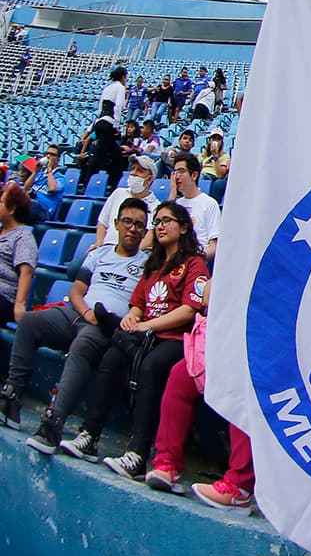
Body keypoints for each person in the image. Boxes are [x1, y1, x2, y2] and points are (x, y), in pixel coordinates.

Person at [66, 201, 207, 478]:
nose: (161, 226)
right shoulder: (153, 264)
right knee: (112, 357)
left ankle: (138, 453)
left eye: (168, 220)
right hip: (145, 335)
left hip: (174, 339)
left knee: (150, 365)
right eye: (159, 221)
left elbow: (189, 310)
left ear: (184, 227)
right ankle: (89, 436)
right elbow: (138, 303)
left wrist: (147, 325)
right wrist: (133, 317)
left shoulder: (194, 263)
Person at [0, 198, 149, 448]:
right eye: (127, 222)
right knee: (30, 322)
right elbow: (77, 291)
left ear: (145, 231)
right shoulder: (99, 254)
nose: (133, 228)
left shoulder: (147, 263)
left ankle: (53, 423)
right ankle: (12, 398)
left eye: (139, 225)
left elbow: (142, 304)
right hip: (79, 314)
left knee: (82, 345)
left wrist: (97, 318)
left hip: (106, 326)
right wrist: (86, 312)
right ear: (116, 224)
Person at [145, 279, 255, 510]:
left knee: (241, 379)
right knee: (181, 375)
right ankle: (167, 465)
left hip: (269, 329)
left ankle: (240, 488)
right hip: (232, 325)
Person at [93, 155, 160, 249]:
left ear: (149, 180)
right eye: (132, 169)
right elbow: (102, 223)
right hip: (105, 248)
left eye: (139, 171)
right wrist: (99, 245)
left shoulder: (156, 206)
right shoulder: (118, 193)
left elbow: (149, 236)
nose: (133, 173)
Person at [0, 182, 37, 331]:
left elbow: (26, 271)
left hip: (4, 297)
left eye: (1, 202)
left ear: (12, 208)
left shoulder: (23, 236)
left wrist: (20, 304)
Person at [171, 154, 220, 263]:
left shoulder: (209, 203)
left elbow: (214, 246)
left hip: (197, 261)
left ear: (194, 175)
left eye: (181, 171)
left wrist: (195, 260)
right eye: (175, 172)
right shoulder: (175, 205)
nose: (176, 176)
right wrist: (172, 195)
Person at [79, 99, 124, 194]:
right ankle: (89, 185)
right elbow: (116, 133)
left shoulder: (101, 118)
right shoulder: (111, 116)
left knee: (116, 157)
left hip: (102, 127)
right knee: (99, 158)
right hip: (106, 127)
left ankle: (111, 185)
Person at [23, 144, 65, 223]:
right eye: (47, 154)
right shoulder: (39, 174)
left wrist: (49, 169)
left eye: (53, 155)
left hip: (45, 211)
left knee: (32, 204)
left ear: (58, 160)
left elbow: (52, 189)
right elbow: (25, 188)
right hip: (31, 206)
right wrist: (35, 172)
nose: (48, 156)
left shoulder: (61, 178)